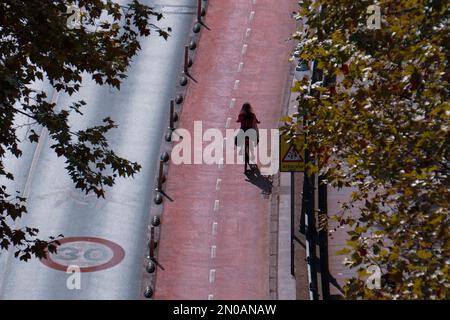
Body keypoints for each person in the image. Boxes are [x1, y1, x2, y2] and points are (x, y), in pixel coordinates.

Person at [236, 102, 260, 174]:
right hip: (251, 132)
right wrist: (258, 122)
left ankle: (240, 148)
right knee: (256, 139)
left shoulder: (241, 115)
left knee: (236, 140)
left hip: (243, 131)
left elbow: (238, 120)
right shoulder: (252, 115)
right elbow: (256, 121)